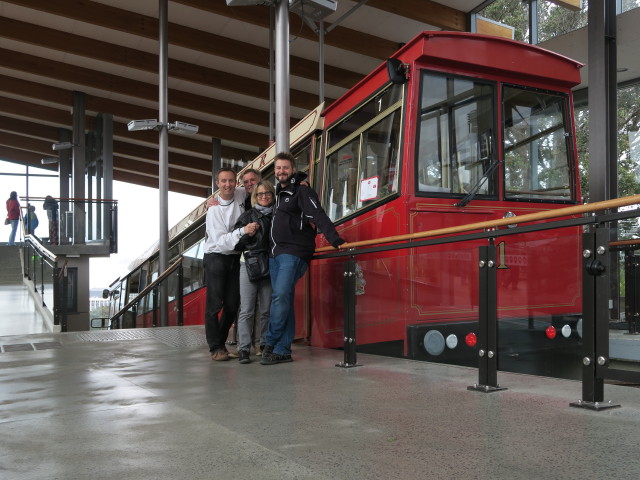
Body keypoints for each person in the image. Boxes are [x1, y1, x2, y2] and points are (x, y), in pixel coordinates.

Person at [261, 152, 346, 366]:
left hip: (294, 252)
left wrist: (336, 240)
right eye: (278, 168)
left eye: (285, 168)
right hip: (275, 255)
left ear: (293, 169)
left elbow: (318, 215)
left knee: (280, 296)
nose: (281, 171)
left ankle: (269, 342)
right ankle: (282, 350)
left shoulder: (301, 190)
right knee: (284, 300)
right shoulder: (279, 194)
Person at [203, 168, 259, 361]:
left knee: (233, 304)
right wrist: (243, 231)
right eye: (223, 181)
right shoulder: (213, 210)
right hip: (216, 257)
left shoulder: (240, 193)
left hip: (235, 257)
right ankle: (215, 348)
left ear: (236, 183)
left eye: (231, 181)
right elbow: (221, 241)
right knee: (214, 305)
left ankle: (220, 344)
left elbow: (261, 188)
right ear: (217, 184)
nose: (228, 185)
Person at [233, 180, 276, 364]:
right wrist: (246, 233)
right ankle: (243, 348)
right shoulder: (247, 216)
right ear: (255, 197)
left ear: (273, 195)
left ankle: (263, 344)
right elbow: (236, 244)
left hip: (269, 263)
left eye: (267, 193)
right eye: (260, 194)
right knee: (247, 309)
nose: (264, 196)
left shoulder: (277, 214)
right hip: (249, 264)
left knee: (266, 309)